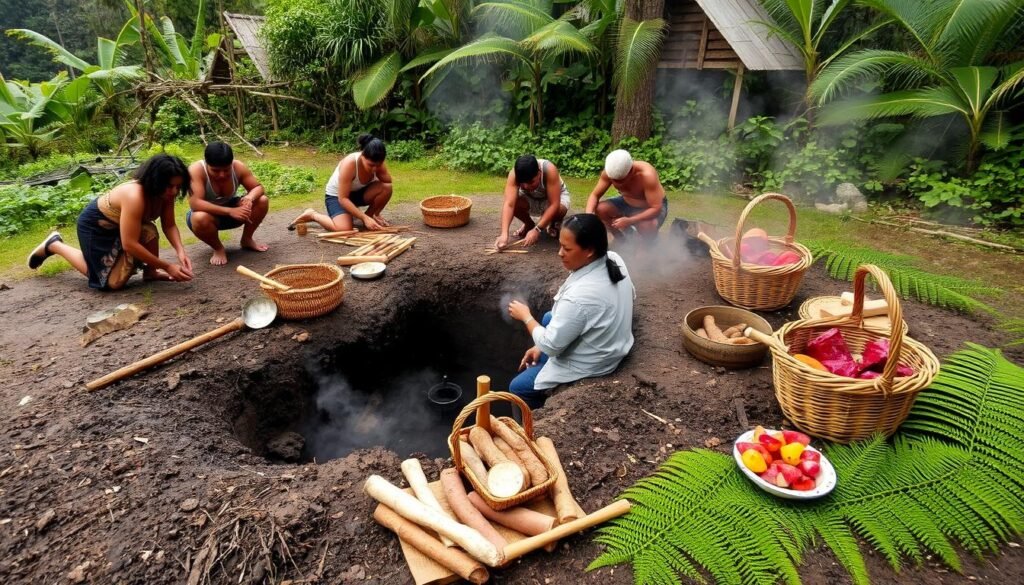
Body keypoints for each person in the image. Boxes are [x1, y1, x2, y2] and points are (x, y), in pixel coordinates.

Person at [506, 213, 635, 409]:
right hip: (606, 340)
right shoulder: (613, 258)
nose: (559, 253)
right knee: (549, 317)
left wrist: (526, 317)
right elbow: (630, 295)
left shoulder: (579, 297)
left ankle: (534, 422)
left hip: (594, 362)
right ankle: (541, 355)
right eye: (560, 245)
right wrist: (537, 347)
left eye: (567, 248)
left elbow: (550, 346)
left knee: (517, 388)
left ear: (589, 250)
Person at [27, 154, 194, 289]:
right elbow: (130, 244)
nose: (174, 191)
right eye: (170, 186)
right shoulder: (134, 195)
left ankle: (151, 272)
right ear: (155, 181)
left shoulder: (166, 193)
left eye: (178, 187)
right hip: (97, 227)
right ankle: (55, 245)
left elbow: (169, 225)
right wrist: (168, 266)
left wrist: (181, 251)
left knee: (148, 230)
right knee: (110, 283)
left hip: (122, 227)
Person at [186, 141, 269, 265]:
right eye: (215, 171)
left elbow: (258, 188)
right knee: (199, 217)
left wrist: (249, 198)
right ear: (206, 163)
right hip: (207, 217)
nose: (222, 175)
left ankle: (247, 239)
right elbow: (195, 203)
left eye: (226, 170)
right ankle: (218, 248)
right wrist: (230, 211)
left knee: (262, 200)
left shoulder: (238, 166)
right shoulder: (196, 170)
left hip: (232, 209)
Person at [290, 134, 393, 232]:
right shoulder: (350, 164)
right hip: (337, 196)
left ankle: (370, 217)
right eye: (370, 165)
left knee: (386, 188)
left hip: (356, 193)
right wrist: (362, 216)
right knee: (344, 228)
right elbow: (343, 198)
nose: (374, 169)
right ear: (362, 156)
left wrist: (375, 213)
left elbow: (387, 183)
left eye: (378, 165)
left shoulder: (377, 164)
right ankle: (312, 215)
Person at [585, 149, 668, 240]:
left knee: (646, 226)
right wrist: (588, 218)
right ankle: (621, 239)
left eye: (621, 180)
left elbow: (656, 208)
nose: (617, 183)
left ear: (631, 171)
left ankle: (648, 243)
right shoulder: (609, 173)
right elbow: (594, 195)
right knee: (601, 209)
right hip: (627, 201)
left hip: (652, 207)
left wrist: (630, 220)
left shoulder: (647, 175)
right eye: (613, 180)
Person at [494, 155, 570, 250]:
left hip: (554, 199)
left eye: (531, 182)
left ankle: (553, 222)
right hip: (531, 197)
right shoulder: (514, 174)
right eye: (522, 183)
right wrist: (504, 234)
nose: (526, 186)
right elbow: (509, 204)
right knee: (514, 201)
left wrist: (537, 230)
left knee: (558, 209)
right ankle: (529, 224)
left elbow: (554, 204)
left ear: (539, 173)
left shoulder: (549, 170)